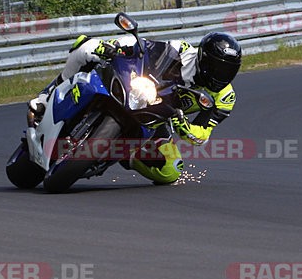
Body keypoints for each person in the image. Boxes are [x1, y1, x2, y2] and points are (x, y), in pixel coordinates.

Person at [27, 32, 242, 185]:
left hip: (161, 117)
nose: (220, 75)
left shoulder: (224, 98)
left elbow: (201, 135)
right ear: (203, 59)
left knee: (171, 171)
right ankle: (45, 98)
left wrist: (182, 124)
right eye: (217, 67)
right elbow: (145, 48)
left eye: (228, 71)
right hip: (139, 89)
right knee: (86, 47)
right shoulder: (181, 51)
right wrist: (116, 48)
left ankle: (125, 153)